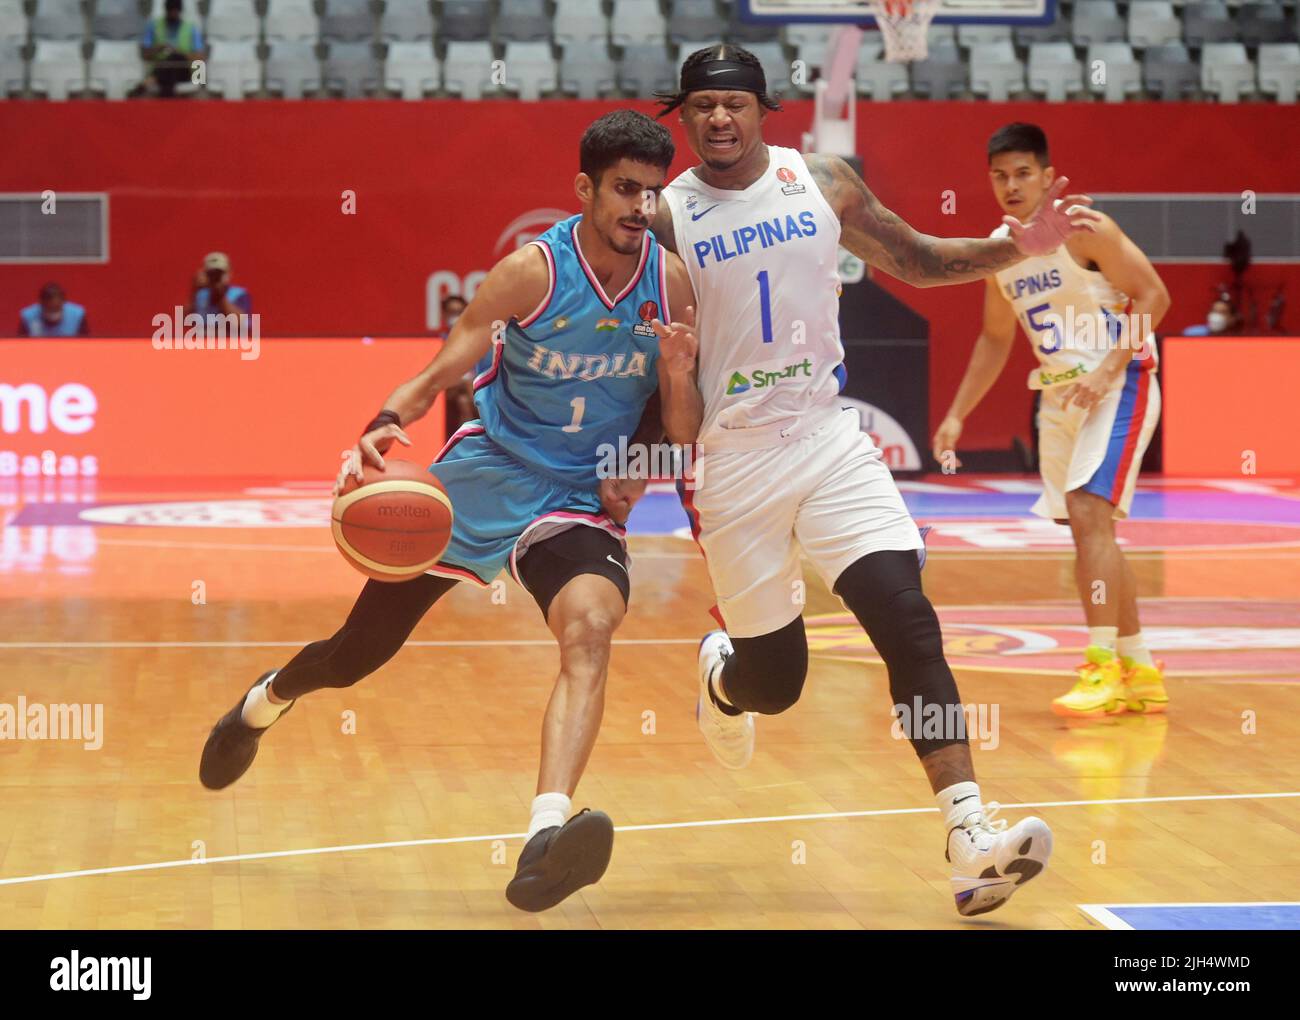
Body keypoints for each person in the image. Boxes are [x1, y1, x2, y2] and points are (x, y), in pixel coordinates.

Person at [199, 110, 700, 912]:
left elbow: (679, 426)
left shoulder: (672, 283)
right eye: (623, 189)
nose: (639, 206)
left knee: (591, 630)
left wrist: (654, 425)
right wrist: (378, 430)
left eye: (651, 191)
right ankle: (267, 701)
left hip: (575, 500)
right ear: (585, 188)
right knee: (357, 654)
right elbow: (436, 377)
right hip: (486, 475)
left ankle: (545, 834)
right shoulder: (529, 273)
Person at [650, 46, 1099, 917]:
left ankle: (969, 836)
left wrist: (1015, 246)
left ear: (762, 110)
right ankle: (723, 676)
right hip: (732, 461)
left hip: (826, 437)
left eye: (733, 104)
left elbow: (922, 258)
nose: (718, 119)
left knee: (907, 617)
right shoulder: (667, 216)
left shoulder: (822, 180)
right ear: (685, 116)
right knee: (775, 684)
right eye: (701, 105)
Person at [933, 123, 1170, 720]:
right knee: (1093, 533)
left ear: (1045, 174)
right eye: (999, 175)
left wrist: (1108, 365)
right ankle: (1139, 667)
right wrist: (958, 414)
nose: (1010, 185)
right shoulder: (1001, 247)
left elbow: (1154, 296)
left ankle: (1100, 665)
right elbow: (993, 337)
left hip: (1119, 383)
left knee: (1089, 512)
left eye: (1022, 173)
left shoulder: (1085, 228)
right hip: (1061, 398)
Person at [139, 0, 206, 98]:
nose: (173, 15)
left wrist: (178, 52)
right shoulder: (154, 26)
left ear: (180, 11)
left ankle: (147, 82)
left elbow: (200, 58)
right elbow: (145, 55)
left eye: (175, 11)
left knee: (176, 57)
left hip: (183, 71)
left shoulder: (191, 28)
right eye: (170, 12)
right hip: (162, 69)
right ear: (166, 11)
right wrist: (159, 48)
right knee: (168, 70)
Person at [188, 252, 252, 319]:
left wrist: (220, 297)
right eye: (211, 274)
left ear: (229, 273)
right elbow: (183, 318)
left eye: (219, 273)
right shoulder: (201, 294)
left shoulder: (238, 294)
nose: (215, 277)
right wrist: (194, 290)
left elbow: (241, 321)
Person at [17, 283, 90, 336]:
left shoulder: (77, 315)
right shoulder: (28, 316)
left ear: (64, 302)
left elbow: (86, 342)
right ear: (41, 303)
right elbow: (21, 343)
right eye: (50, 308)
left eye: (56, 308)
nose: (53, 309)